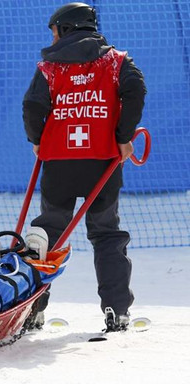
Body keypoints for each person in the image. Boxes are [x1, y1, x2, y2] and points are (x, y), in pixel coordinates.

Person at [22, 3, 147, 331]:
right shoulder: (118, 61)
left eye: (54, 30)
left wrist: (38, 139)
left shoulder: (49, 67)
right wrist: (123, 137)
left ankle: (32, 310)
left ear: (65, 28)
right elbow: (135, 91)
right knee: (106, 233)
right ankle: (116, 310)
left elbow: (32, 105)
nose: (52, 37)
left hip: (60, 161)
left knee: (47, 234)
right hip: (102, 160)